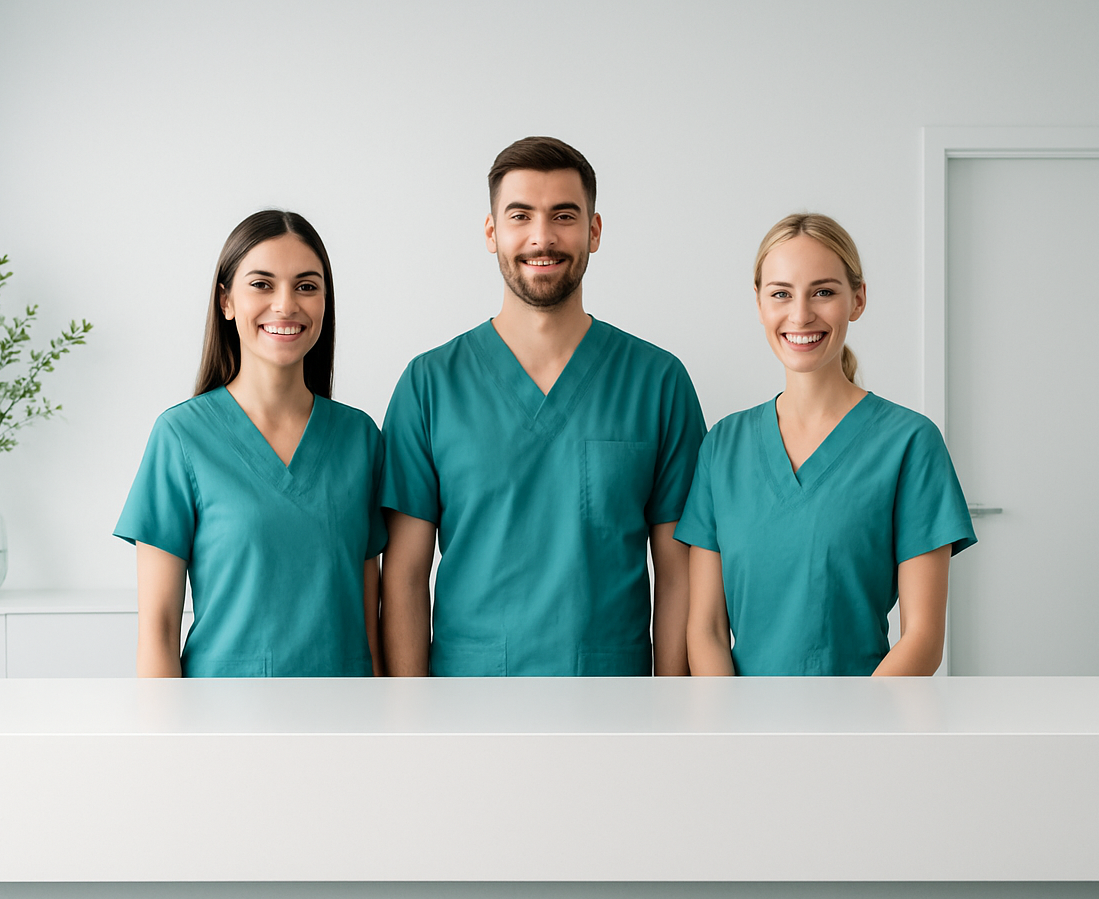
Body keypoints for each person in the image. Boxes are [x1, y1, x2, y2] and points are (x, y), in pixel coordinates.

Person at [381, 136, 706, 677]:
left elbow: (679, 575)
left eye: (563, 215)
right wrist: (414, 722)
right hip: (468, 704)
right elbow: (406, 575)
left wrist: (667, 712)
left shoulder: (657, 382)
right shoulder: (430, 385)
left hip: (612, 703)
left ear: (593, 231)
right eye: (520, 215)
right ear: (492, 233)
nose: (542, 237)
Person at [677, 214, 975, 676]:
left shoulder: (909, 444)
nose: (800, 314)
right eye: (781, 293)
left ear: (857, 300)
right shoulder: (723, 446)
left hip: (865, 728)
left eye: (823, 291)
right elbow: (707, 629)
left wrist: (851, 737)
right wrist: (731, 732)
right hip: (742, 733)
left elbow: (922, 639)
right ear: (758, 303)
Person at [115, 210, 387, 677]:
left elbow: (368, 622)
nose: (285, 305)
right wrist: (164, 745)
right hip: (221, 726)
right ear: (226, 301)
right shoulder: (182, 438)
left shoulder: (360, 439)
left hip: (346, 725)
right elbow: (157, 631)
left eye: (306, 286)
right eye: (262, 284)